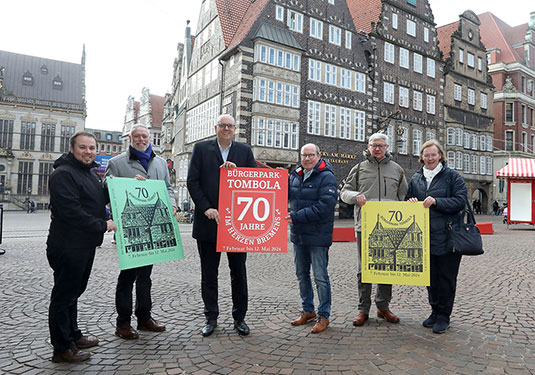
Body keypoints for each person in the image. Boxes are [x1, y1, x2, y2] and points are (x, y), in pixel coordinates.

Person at [46, 131, 117, 362]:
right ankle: (62, 348)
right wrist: (102, 224)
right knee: (64, 296)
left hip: (83, 245)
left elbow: (97, 197)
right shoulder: (64, 174)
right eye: (83, 148)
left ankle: (73, 335)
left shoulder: (88, 173)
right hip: (67, 245)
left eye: (92, 148)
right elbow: (71, 212)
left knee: (73, 293)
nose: (88, 152)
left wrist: (123, 187)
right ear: (72, 148)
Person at [187, 114, 257, 337]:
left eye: (230, 126)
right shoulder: (201, 149)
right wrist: (206, 207)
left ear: (235, 129)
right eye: (222, 125)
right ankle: (211, 317)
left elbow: (254, 181)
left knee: (239, 273)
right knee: (209, 274)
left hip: (237, 224)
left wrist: (237, 173)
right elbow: (192, 181)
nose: (226, 129)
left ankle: (240, 318)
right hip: (208, 222)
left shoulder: (244, 151)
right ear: (215, 127)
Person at [105, 124, 177, 340]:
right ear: (130, 138)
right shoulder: (116, 163)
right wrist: (128, 186)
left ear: (150, 138)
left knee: (146, 277)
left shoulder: (161, 163)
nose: (141, 139)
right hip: (130, 230)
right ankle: (123, 323)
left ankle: (144, 317)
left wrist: (172, 205)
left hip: (153, 227)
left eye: (144, 136)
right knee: (127, 277)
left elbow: (168, 188)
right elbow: (107, 192)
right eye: (137, 136)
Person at [340, 133, 408, 327]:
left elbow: (405, 196)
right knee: (364, 269)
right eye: (373, 145)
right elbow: (344, 192)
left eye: (380, 145)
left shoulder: (397, 170)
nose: (377, 148)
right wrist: (355, 196)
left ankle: (383, 306)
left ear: (387, 147)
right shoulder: (359, 169)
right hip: (365, 226)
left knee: (386, 267)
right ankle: (363, 309)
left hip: (390, 227)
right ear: (368, 147)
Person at [405, 139, 467, 334]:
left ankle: (444, 316)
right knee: (429, 278)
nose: (430, 158)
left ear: (440, 155)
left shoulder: (452, 177)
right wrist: (411, 202)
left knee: (446, 279)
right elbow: (407, 200)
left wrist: (437, 202)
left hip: (448, 236)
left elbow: (460, 201)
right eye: (426, 155)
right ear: (421, 157)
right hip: (424, 237)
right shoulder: (416, 178)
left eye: (433, 154)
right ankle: (434, 311)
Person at [287, 144, 337, 333]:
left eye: (311, 155)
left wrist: (296, 217)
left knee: (320, 277)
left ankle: (324, 315)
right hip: (299, 235)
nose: (307, 159)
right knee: (301, 275)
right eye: (304, 155)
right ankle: (308, 310)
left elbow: (325, 206)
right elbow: (284, 194)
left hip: (318, 235)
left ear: (319, 156)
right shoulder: (295, 174)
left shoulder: (327, 177)